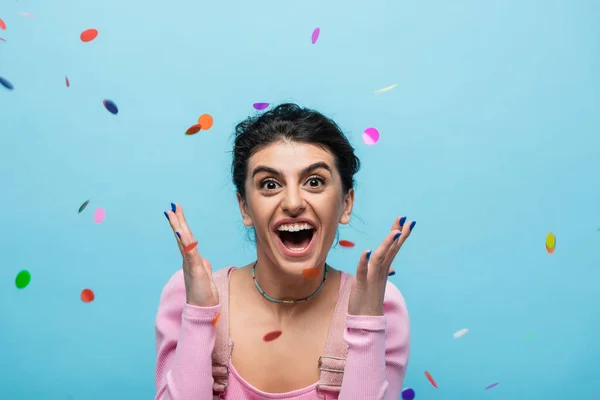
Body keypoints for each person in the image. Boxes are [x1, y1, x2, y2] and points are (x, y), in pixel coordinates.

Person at [154, 103, 415, 400]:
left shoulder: (382, 305)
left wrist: (367, 324)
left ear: (346, 204)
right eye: (270, 184)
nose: (292, 203)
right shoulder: (186, 296)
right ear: (245, 207)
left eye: (314, 182)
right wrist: (200, 317)